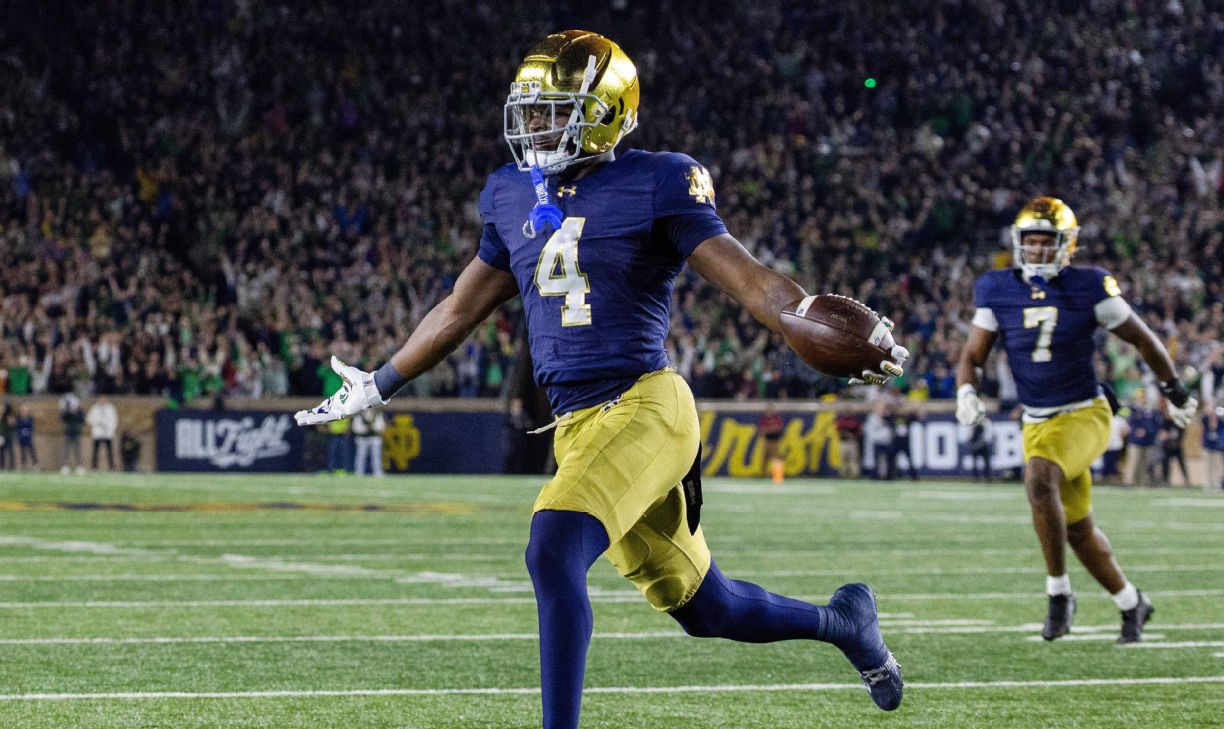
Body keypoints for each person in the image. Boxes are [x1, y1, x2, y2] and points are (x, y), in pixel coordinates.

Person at [295, 30, 909, 728]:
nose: (535, 124)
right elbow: (461, 307)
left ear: (606, 113)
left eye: (553, 109)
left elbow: (748, 280)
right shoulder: (508, 192)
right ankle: (845, 623)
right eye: (529, 109)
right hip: (579, 426)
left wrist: (802, 312)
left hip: (645, 405)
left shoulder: (659, 180)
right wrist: (378, 382)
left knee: (552, 545)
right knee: (708, 608)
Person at [956, 197, 1197, 644]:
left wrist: (1174, 389)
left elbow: (1144, 340)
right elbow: (973, 355)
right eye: (1030, 241)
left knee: (1038, 477)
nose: (1037, 250)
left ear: (1066, 245)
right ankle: (1131, 602)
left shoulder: (1089, 286)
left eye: (1046, 241)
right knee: (1078, 529)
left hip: (1085, 413)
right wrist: (966, 391)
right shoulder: (997, 288)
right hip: (1037, 422)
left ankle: (1059, 594)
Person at [86, 395, 118, 471]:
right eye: (101, 400)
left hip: (108, 433)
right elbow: (88, 419)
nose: (102, 401)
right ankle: (94, 467)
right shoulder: (94, 408)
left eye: (104, 400)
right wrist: (97, 423)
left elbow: (114, 420)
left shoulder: (111, 408)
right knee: (95, 451)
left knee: (109, 451)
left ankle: (111, 467)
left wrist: (110, 428)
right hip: (97, 432)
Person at [353, 408, 386, 477]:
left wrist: (373, 427)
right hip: (362, 438)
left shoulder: (377, 414)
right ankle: (359, 473)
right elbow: (355, 428)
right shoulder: (360, 414)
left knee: (376, 456)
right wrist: (365, 429)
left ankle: (378, 473)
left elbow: (381, 427)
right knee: (361, 456)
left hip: (375, 437)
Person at [757, 404, 785, 483]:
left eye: (771, 410)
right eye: (768, 410)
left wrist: (768, 429)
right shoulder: (764, 419)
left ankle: (777, 475)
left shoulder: (776, 418)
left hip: (775, 441)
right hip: (767, 441)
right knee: (765, 458)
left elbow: (778, 428)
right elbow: (762, 431)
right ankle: (762, 474)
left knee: (776, 458)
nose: (769, 412)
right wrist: (770, 429)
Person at [58, 393, 84, 475]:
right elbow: (63, 418)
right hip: (68, 432)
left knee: (77, 450)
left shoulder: (79, 411)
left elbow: (82, 419)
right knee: (66, 450)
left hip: (77, 432)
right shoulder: (67, 411)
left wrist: (75, 412)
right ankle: (65, 466)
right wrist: (70, 411)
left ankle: (79, 466)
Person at [0, 400, 16, 470]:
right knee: (1, 452)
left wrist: (10, 415)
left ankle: (11, 467)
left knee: (10, 451)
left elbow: (12, 424)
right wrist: (1, 411)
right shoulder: (0, 413)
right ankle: (1, 467)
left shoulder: (12, 413)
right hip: (1, 435)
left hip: (8, 436)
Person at [15, 403, 37, 470]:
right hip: (21, 437)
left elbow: (31, 427)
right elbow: (17, 427)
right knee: (23, 452)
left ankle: (35, 464)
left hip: (28, 437)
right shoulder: (18, 418)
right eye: (23, 409)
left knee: (31, 451)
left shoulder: (30, 418)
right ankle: (24, 465)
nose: (24, 410)